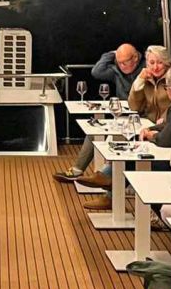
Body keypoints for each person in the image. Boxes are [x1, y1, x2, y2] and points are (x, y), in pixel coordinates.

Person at [54, 43, 143, 184]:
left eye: (125, 62)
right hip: (121, 115)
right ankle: (77, 170)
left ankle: (108, 177)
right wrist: (112, 54)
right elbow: (97, 71)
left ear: (136, 58)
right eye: (119, 62)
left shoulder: (145, 70)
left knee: (115, 139)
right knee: (95, 131)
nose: (122, 66)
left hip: (140, 116)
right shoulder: (117, 70)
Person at [127, 45, 171, 123]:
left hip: (169, 124)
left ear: (167, 63)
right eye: (152, 63)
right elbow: (134, 107)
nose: (155, 67)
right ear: (147, 64)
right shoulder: (146, 79)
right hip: (148, 124)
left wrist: (164, 119)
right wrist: (140, 80)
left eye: (160, 62)